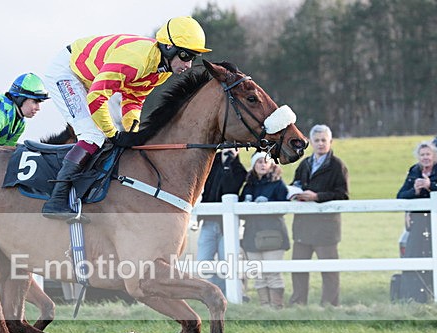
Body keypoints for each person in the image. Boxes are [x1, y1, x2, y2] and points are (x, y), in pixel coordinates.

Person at [41, 16, 210, 219]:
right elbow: (97, 97)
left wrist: (132, 132)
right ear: (168, 47)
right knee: (93, 134)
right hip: (67, 72)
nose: (188, 64)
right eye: (185, 55)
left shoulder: (162, 70)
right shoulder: (135, 60)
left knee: (111, 133)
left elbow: (134, 98)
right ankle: (57, 199)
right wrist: (113, 134)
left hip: (90, 79)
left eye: (193, 57)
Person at [288, 124, 349, 307]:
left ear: (330, 142)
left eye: (324, 140)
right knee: (298, 268)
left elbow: (343, 194)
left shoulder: (338, 166)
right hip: (302, 227)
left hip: (326, 228)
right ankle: (298, 303)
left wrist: (317, 197)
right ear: (311, 142)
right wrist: (295, 193)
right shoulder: (304, 163)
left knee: (329, 270)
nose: (321, 144)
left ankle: (329, 305)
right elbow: (295, 183)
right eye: (317, 140)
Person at [396, 141, 437, 302]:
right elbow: (400, 196)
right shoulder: (413, 172)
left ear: (434, 156)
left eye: (428, 154)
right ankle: (413, 297)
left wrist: (432, 185)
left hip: (436, 224)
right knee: (413, 256)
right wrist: (415, 191)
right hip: (417, 224)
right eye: (422, 155)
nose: (425, 158)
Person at [239, 152, 290, 308]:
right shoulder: (248, 185)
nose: (262, 164)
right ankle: (264, 306)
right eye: (259, 162)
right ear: (254, 165)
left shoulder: (278, 184)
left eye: (265, 162)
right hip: (251, 235)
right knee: (258, 274)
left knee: (273, 273)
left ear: (271, 165)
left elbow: (284, 207)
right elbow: (239, 210)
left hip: (273, 235)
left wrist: (269, 203)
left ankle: (277, 307)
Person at [195, 147, 246, 295]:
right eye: (226, 146)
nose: (229, 150)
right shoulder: (210, 164)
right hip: (209, 221)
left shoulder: (239, 170)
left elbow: (229, 188)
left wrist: (228, 164)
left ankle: (228, 293)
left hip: (226, 225)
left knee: (227, 260)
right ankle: (214, 293)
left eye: (234, 148)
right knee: (204, 261)